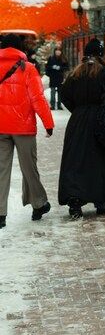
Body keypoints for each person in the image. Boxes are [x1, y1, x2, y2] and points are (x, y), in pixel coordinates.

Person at [58, 38, 105, 218]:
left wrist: (79, 110)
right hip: (101, 122)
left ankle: (75, 199)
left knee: (76, 161)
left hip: (78, 122)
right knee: (103, 159)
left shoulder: (75, 74)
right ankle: (103, 201)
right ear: (100, 55)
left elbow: (64, 95)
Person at [0, 32, 54, 229]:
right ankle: (39, 204)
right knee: (29, 168)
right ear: (19, 48)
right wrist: (48, 123)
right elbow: (37, 99)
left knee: (1, 170)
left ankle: (0, 214)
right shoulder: (28, 68)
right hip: (23, 127)